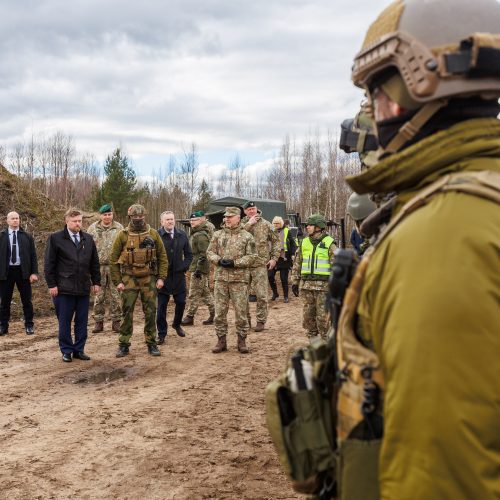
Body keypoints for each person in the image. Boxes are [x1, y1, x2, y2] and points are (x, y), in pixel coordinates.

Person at [338, 0, 500, 497]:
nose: (375, 112)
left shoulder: (444, 233)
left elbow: (439, 471)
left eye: (379, 91)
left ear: (425, 82)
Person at [109, 204, 168, 357]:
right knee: (126, 312)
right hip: (129, 278)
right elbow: (113, 260)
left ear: (144, 216)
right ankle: (123, 344)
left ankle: (151, 343)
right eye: (134, 217)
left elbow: (162, 257)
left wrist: (161, 278)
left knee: (150, 312)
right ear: (129, 217)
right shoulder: (122, 235)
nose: (137, 220)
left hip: (149, 278)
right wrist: (118, 281)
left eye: (140, 217)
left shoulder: (153, 234)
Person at [44, 208, 101, 362]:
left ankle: (79, 349)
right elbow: (49, 264)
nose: (78, 224)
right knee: (64, 322)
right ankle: (67, 350)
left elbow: (94, 263)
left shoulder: (88, 239)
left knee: (82, 321)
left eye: (80, 221)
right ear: (66, 221)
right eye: (75, 221)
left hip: (83, 287)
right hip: (63, 289)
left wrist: (96, 282)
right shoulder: (56, 239)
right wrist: (52, 285)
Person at [206, 206, 257, 354]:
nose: (227, 219)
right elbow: (209, 252)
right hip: (221, 279)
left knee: (241, 312)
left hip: (239, 280)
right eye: (225, 217)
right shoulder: (218, 235)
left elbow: (252, 257)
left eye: (230, 217)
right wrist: (218, 260)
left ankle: (242, 341)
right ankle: (221, 341)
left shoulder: (247, 236)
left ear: (238, 218)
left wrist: (235, 263)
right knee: (220, 312)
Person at [291, 214, 336, 339]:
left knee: (323, 319)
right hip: (307, 287)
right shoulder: (304, 242)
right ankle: (313, 344)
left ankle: (326, 345)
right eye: (307, 225)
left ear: (318, 227)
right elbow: (297, 264)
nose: (307, 227)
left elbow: (336, 267)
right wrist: (295, 281)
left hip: (324, 288)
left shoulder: (329, 243)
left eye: (310, 225)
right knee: (308, 318)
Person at [241, 201, 280, 332]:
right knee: (242, 295)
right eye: (249, 209)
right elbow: (236, 237)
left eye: (253, 209)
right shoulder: (240, 224)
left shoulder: (266, 224)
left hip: (260, 264)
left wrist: (274, 258)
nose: (252, 211)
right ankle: (245, 320)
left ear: (257, 209)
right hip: (244, 264)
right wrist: (248, 224)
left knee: (261, 295)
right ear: (245, 211)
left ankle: (261, 321)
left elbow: (276, 241)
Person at [87, 203, 124, 333]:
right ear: (100, 215)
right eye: (105, 214)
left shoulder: (119, 228)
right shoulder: (92, 229)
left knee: (115, 295)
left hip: (115, 267)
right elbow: (88, 248)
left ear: (112, 215)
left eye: (109, 214)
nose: (107, 217)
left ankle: (116, 321)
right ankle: (98, 322)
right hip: (98, 267)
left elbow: (124, 247)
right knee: (99, 295)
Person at [156, 211, 192, 342]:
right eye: (167, 220)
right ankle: (161, 334)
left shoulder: (182, 235)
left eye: (172, 219)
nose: (170, 221)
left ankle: (176, 324)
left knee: (181, 302)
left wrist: (183, 267)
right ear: (162, 222)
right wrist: (157, 274)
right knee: (161, 307)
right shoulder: (156, 236)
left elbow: (189, 255)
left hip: (178, 276)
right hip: (162, 277)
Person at [0, 211, 38, 335]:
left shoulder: (27, 236)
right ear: (7, 220)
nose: (15, 220)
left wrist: (34, 273)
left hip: (23, 272)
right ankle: (3, 326)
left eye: (17, 218)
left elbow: (33, 256)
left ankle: (29, 325)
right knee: (4, 301)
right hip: (6, 272)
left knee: (26, 300)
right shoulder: (1, 236)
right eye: (13, 218)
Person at [181, 210, 215, 326]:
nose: (192, 222)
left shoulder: (200, 235)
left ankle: (190, 316)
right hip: (196, 266)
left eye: (195, 220)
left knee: (194, 292)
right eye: (191, 220)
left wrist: (198, 270)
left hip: (198, 268)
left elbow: (204, 254)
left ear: (201, 220)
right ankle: (215, 313)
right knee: (205, 293)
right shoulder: (196, 232)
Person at [268, 216, 297, 303]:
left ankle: (286, 296)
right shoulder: (270, 232)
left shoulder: (287, 231)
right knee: (270, 276)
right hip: (273, 258)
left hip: (284, 258)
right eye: (274, 223)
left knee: (283, 278)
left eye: (277, 223)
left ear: (281, 224)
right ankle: (275, 293)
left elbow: (293, 244)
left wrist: (292, 254)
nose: (276, 225)